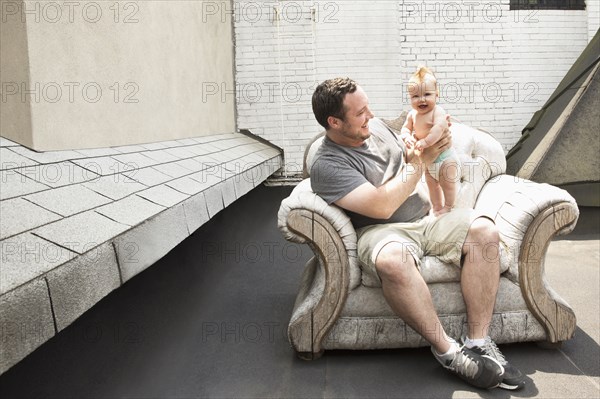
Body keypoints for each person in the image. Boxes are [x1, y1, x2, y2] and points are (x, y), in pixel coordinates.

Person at [309, 77, 525, 390]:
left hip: (427, 218)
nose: (370, 115)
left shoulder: (377, 127)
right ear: (334, 121)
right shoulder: (327, 164)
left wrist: (427, 143)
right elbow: (382, 206)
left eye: (368, 107)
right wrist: (419, 164)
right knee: (393, 261)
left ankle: (478, 342)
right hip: (381, 231)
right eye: (360, 113)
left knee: (485, 231)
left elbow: (411, 150)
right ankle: (450, 353)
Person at [400, 66, 460, 216]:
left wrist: (425, 143)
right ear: (410, 98)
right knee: (432, 185)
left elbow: (438, 129)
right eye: (415, 96)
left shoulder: (437, 111)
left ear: (436, 94)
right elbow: (405, 129)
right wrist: (407, 137)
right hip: (429, 162)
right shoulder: (412, 115)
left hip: (445, 159)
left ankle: (449, 206)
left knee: (448, 185)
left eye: (427, 94)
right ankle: (437, 207)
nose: (421, 99)